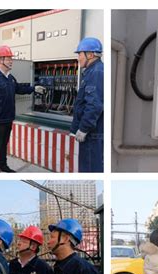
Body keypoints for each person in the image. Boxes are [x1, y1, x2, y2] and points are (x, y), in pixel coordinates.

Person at [0, 45, 46, 172]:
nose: (11, 61)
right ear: (0, 60)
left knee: (4, 144)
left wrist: (34, 88)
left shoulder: (10, 78)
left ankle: (3, 165)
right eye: (8, 58)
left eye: (11, 58)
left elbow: (19, 89)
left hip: (8, 118)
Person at [70, 37, 104, 172]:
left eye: (80, 54)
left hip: (92, 135)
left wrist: (83, 128)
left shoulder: (96, 72)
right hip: (92, 134)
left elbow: (94, 105)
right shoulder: (92, 71)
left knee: (89, 169)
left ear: (90, 54)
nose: (78, 58)